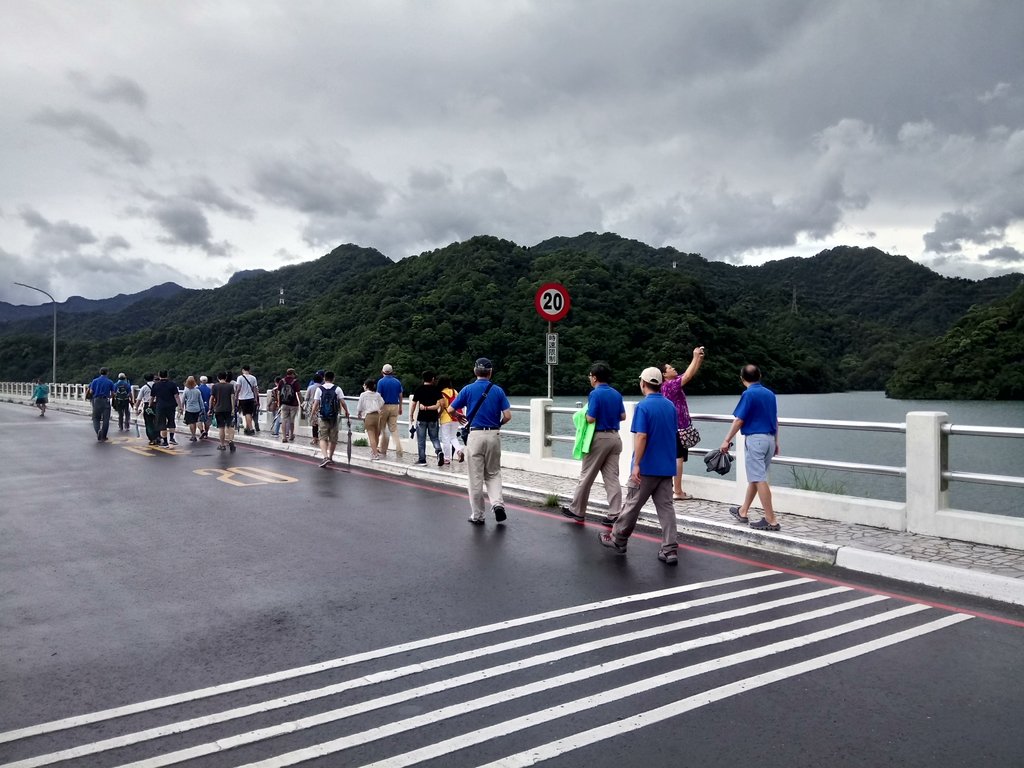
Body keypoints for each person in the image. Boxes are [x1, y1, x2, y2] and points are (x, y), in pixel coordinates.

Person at [598, 366, 681, 565]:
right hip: (666, 467)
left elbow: (642, 436)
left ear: (642, 383)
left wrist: (636, 464)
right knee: (667, 508)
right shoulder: (670, 406)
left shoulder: (643, 407)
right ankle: (669, 550)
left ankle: (618, 539)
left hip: (646, 468)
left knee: (632, 506)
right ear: (660, 384)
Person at [447, 357, 512, 525]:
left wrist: (459, 416)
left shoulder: (467, 389)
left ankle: (478, 515)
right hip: (493, 435)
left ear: (475, 371)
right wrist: (497, 424)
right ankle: (497, 504)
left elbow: (450, 409)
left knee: (475, 478)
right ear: (490, 372)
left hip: (475, 436)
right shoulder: (497, 390)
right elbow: (507, 416)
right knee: (493, 473)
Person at [561, 361, 626, 524]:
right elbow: (623, 416)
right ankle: (615, 514)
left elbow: (591, 418)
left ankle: (577, 510)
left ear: (595, 378)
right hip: (615, 438)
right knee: (612, 478)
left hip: (599, 438)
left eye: (590, 376)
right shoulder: (616, 393)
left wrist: (581, 415)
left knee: (587, 475)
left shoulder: (595, 394)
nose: (589, 378)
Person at [720, 364, 781, 531]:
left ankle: (771, 519)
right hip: (769, 439)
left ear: (742, 379)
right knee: (756, 476)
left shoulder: (748, 394)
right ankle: (743, 511)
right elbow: (775, 419)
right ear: (759, 375)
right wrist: (776, 442)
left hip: (756, 439)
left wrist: (726, 440)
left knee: (759, 478)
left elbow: (739, 420)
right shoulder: (769, 394)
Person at [662, 346, 705, 500]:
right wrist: (694, 357)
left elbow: (689, 374)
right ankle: (678, 491)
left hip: (676, 427)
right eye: (670, 368)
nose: (673, 368)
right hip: (677, 427)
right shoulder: (669, 385)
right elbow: (687, 377)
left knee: (678, 457)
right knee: (678, 458)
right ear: (664, 374)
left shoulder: (671, 383)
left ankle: (674, 489)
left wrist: (699, 358)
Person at [312, 370, 350, 467]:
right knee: (333, 438)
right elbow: (343, 402)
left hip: (323, 416)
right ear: (333, 378)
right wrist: (346, 411)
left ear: (324, 378)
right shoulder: (337, 389)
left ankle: (325, 457)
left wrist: (312, 414)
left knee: (322, 437)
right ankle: (330, 457)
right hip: (334, 416)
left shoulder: (319, 389)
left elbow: (316, 403)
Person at [411, 369, 445, 466]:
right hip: (433, 417)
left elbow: (413, 404)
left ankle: (422, 460)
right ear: (433, 379)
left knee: (421, 440)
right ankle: (439, 451)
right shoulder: (436, 389)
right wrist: (439, 412)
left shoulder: (419, 389)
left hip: (421, 418)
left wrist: (411, 415)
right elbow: (442, 403)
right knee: (435, 438)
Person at [376, 363, 404, 459]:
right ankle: (399, 449)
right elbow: (400, 395)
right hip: (395, 406)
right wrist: (400, 407)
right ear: (392, 372)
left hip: (384, 406)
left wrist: (378, 408)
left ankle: (383, 449)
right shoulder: (397, 382)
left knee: (383, 429)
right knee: (394, 429)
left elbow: (378, 396)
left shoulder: (381, 382)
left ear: (382, 372)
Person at [437, 375, 464, 464]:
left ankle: (447, 458)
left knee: (445, 439)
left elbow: (441, 406)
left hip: (445, 418)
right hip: (455, 417)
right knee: (453, 437)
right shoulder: (454, 391)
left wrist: (438, 415)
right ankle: (459, 450)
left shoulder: (441, 393)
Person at [150, 370, 182, 447]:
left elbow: (152, 397)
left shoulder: (155, 385)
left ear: (159, 375)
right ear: (167, 375)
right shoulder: (172, 384)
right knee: (171, 421)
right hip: (171, 406)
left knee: (162, 424)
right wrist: (180, 406)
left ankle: (165, 442)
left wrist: (150, 405)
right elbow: (176, 396)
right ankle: (172, 438)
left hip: (160, 406)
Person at [356, 378, 384, 460]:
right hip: (377, 416)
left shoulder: (363, 395)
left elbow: (359, 406)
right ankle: (374, 450)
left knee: (371, 435)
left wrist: (359, 413)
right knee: (376, 435)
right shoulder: (377, 394)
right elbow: (382, 402)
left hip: (369, 416)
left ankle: (375, 454)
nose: (363, 386)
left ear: (367, 386)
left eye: (364, 385)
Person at [209, 371, 237, 452]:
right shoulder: (230, 386)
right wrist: (232, 409)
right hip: (228, 409)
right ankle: (231, 440)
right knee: (230, 426)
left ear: (218, 378)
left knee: (221, 427)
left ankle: (222, 445)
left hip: (218, 409)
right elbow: (232, 398)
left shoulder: (215, 386)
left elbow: (212, 398)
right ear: (226, 378)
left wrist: (210, 408)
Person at [87, 367, 115, 441]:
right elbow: (113, 393)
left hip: (96, 400)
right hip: (106, 400)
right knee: (106, 419)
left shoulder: (94, 381)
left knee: (96, 418)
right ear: (107, 373)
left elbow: (91, 392)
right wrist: (109, 397)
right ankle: (104, 436)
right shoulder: (110, 382)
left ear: (100, 372)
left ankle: (98, 431)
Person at [277, 368, 301, 443]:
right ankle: (291, 435)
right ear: (293, 374)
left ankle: (284, 437)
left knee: (284, 420)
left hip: (284, 403)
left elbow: (278, 393)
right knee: (291, 420)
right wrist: (301, 402)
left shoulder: (281, 381)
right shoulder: (295, 382)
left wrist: (279, 403)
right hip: (293, 404)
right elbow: (299, 393)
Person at [235, 364, 260, 435]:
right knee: (248, 413)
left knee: (247, 413)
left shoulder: (240, 378)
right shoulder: (253, 378)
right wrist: (255, 398)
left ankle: (251, 429)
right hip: (251, 397)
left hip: (243, 398)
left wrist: (236, 397)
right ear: (249, 370)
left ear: (243, 370)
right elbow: (255, 389)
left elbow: (238, 388)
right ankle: (247, 428)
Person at [136, 373, 159, 444]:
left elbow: (139, 399)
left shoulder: (144, 387)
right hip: (157, 405)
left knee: (149, 422)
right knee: (157, 421)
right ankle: (158, 436)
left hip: (147, 406)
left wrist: (136, 408)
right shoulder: (158, 386)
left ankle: (152, 438)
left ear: (145, 379)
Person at [180, 376, 204, 441]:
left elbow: (182, 401)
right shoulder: (197, 391)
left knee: (191, 423)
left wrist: (181, 408)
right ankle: (196, 433)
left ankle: (193, 435)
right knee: (195, 422)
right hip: (197, 408)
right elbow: (200, 401)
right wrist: (202, 408)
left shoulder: (186, 391)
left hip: (189, 409)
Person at [305, 371, 324, 447]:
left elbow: (306, 398)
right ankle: (322, 438)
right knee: (322, 423)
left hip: (312, 406)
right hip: (321, 407)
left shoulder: (310, 387)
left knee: (314, 424)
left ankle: (315, 438)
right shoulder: (323, 387)